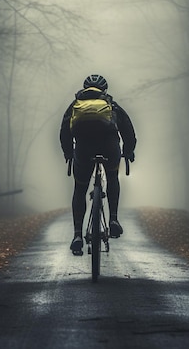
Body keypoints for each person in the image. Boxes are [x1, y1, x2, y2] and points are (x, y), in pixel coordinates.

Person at [59, 74, 137, 255]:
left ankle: (77, 235)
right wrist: (129, 151)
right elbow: (128, 130)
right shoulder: (112, 105)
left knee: (80, 188)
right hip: (109, 146)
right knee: (112, 177)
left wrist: (68, 153)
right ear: (104, 90)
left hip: (84, 148)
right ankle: (114, 220)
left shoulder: (75, 105)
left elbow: (64, 131)